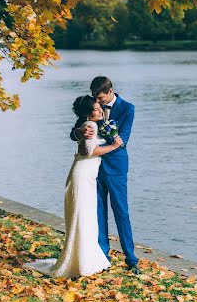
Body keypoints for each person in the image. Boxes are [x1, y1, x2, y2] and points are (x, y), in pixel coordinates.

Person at [23, 95, 123, 278]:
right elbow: (90, 151)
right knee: (83, 216)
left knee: (85, 216)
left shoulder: (93, 122)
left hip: (86, 175)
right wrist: (114, 145)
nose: (99, 110)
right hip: (83, 175)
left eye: (99, 107)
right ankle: (83, 261)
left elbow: (83, 147)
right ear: (87, 113)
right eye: (95, 109)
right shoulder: (90, 126)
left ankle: (84, 258)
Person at [70, 76, 139, 274]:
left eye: (100, 98)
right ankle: (102, 256)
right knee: (98, 212)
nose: (97, 102)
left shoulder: (128, 108)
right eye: (95, 98)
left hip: (116, 167)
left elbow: (122, 139)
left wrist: (102, 130)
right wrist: (82, 132)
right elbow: (73, 132)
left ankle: (131, 258)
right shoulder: (92, 106)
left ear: (110, 92)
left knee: (121, 212)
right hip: (93, 168)